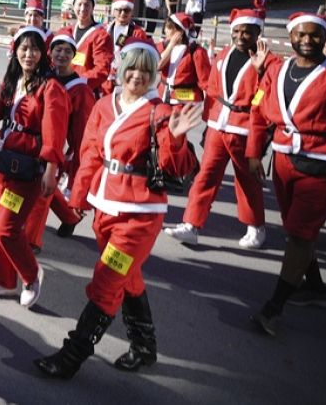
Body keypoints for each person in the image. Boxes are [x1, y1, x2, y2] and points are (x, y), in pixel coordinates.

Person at [35, 41, 202, 379]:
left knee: (107, 281)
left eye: (145, 70)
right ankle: (144, 347)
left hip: (140, 215)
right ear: (122, 70)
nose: (138, 75)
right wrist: (78, 200)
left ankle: (72, 356)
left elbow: (176, 164)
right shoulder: (104, 105)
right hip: (105, 207)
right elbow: (91, 153)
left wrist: (177, 137)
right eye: (132, 68)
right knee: (128, 278)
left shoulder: (160, 111)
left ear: (154, 74)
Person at [247, 13, 326, 336]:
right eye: (302, 34)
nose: (308, 40)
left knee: (300, 234)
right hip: (284, 160)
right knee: (296, 229)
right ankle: (316, 288)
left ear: (325, 37)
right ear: (291, 36)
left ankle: (273, 309)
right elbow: (259, 111)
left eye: (316, 35)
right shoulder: (276, 69)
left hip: (324, 164)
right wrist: (254, 152)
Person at [164, 9, 277, 249]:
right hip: (218, 125)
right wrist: (208, 124)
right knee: (205, 176)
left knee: (247, 180)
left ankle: (256, 226)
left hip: (245, 128)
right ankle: (191, 225)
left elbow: (269, 97)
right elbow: (213, 90)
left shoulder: (270, 61)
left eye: (247, 31)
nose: (241, 36)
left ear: (258, 32)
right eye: (237, 30)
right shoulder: (224, 54)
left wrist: (261, 71)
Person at [0, 27, 67, 307]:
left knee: (6, 228)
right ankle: (4, 280)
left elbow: (55, 132)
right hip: (1, 164)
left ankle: (31, 275)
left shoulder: (50, 88)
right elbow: (0, 115)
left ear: (44, 54)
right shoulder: (16, 80)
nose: (29, 54)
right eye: (24, 49)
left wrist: (52, 168)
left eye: (35, 49)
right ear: (15, 51)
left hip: (26, 170)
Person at [25, 34, 93, 251]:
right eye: (57, 50)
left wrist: (74, 156)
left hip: (60, 146)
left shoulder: (80, 88)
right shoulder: (43, 77)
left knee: (41, 194)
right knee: (43, 184)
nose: (62, 55)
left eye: (67, 51)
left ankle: (31, 241)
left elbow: (82, 128)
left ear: (74, 56)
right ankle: (69, 217)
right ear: (50, 53)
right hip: (35, 141)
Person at [62, 0, 114, 97]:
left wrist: (77, 81)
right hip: (63, 87)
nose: (82, 9)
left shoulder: (101, 35)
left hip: (85, 90)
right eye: (79, 4)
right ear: (73, 6)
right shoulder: (67, 31)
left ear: (92, 8)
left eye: (87, 5)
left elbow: (102, 68)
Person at [157, 13, 211, 108]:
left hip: (186, 102)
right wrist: (171, 46)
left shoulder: (196, 51)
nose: (165, 31)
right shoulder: (163, 46)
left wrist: (208, 106)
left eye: (169, 28)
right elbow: (157, 66)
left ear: (180, 32)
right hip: (163, 97)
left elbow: (205, 82)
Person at [102, 0, 149, 95]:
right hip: (105, 79)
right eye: (119, 10)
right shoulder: (104, 30)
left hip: (127, 79)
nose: (123, 13)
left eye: (126, 10)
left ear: (131, 12)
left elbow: (142, 59)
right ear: (113, 11)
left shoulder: (138, 33)